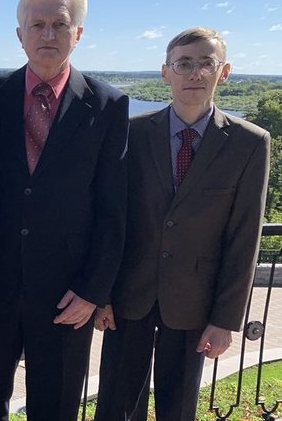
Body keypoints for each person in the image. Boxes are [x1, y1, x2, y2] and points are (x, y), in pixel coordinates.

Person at [0, 0, 129, 420]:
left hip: (66, 295)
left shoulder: (108, 105)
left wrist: (93, 291)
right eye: (37, 25)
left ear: (79, 33)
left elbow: (113, 208)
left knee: (54, 409)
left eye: (60, 24)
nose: (48, 34)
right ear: (20, 35)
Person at [93, 27, 270, 421]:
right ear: (165, 73)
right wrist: (101, 293)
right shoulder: (132, 133)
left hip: (195, 304)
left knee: (178, 410)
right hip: (128, 299)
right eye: (183, 64)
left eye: (206, 63)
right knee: (114, 409)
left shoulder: (249, 143)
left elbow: (244, 238)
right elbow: (111, 218)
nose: (195, 73)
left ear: (223, 72)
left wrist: (224, 320)